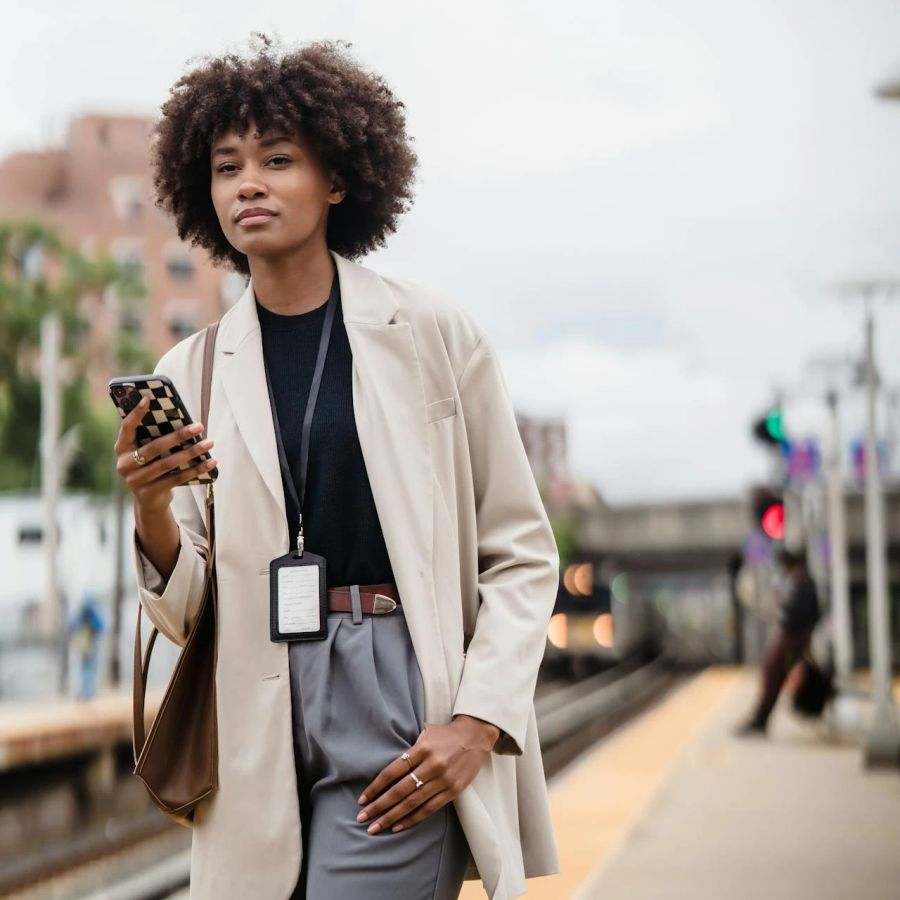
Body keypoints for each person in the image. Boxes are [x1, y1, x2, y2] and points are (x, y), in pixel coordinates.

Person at [114, 35, 560, 900]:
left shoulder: (432, 335)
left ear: (340, 180)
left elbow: (522, 550)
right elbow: (185, 615)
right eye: (227, 165)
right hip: (254, 701)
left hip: (395, 686)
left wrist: (476, 722)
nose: (249, 182)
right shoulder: (191, 372)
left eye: (279, 160)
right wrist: (153, 509)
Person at [736, 547, 821, 736]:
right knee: (772, 674)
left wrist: (785, 614)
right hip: (795, 639)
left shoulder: (804, 584)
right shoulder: (801, 582)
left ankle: (760, 719)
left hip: (794, 639)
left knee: (772, 672)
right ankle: (760, 718)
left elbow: (801, 615)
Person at [68, 592, 105, 701]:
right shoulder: (89, 616)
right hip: (85, 648)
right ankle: (85, 693)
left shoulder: (81, 616)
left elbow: (71, 627)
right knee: (85, 670)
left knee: (83, 670)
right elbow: (101, 628)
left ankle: (84, 693)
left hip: (83, 648)